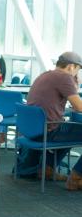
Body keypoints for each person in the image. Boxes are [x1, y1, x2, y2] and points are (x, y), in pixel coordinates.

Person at [16, 51, 82, 190]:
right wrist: (76, 85)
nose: (77, 73)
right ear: (71, 67)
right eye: (78, 69)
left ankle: (47, 169)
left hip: (32, 130)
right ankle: (76, 177)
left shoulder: (45, 75)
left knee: (68, 129)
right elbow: (79, 107)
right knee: (69, 129)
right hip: (48, 130)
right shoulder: (65, 78)